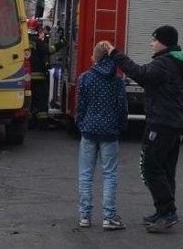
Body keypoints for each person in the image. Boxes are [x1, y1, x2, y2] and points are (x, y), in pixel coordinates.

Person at [106, 25, 183, 233]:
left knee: (151, 167)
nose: (151, 43)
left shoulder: (164, 64)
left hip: (162, 124)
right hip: (175, 123)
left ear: (163, 42)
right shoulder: (177, 61)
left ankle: (167, 212)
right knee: (166, 169)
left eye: (154, 40)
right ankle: (163, 211)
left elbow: (140, 74)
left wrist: (115, 55)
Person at [76, 41, 128, 231]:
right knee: (109, 175)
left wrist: (80, 124)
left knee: (86, 174)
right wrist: (120, 127)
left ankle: (84, 216)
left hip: (89, 130)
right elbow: (122, 108)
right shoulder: (117, 81)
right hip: (110, 132)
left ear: (95, 57)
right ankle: (109, 216)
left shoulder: (86, 78)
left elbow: (80, 106)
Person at [27, 17, 64, 130]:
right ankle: (43, 124)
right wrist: (61, 43)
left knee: (31, 101)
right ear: (37, 29)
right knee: (42, 101)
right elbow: (49, 50)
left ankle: (31, 122)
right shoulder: (36, 41)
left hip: (26, 78)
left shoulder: (22, 40)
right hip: (38, 77)